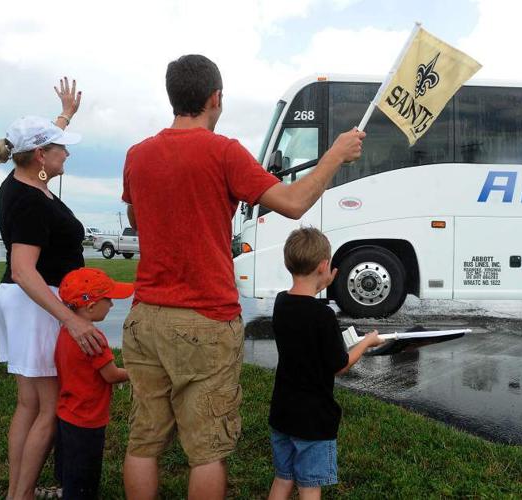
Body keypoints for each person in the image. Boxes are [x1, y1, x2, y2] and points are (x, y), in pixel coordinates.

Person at [120, 54, 365, 499]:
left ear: (173, 96)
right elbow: (292, 203)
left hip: (145, 318)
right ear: (215, 98)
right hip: (206, 320)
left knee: (143, 442)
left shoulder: (137, 155)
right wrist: (334, 156)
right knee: (207, 449)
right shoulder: (224, 152)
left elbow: (137, 216)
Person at [0, 78, 105, 500]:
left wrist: (64, 116)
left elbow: (35, 146)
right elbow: (24, 270)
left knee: (30, 404)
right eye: (61, 147)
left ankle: (15, 492)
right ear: (40, 155)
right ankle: (19, 496)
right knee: (48, 408)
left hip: (27, 302)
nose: (68, 153)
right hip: (36, 302)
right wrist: (71, 321)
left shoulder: (29, 181)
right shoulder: (29, 198)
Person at [267, 228, 384, 500]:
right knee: (309, 485)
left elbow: (303, 299)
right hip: (314, 418)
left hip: (283, 412)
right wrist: (366, 343)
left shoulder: (281, 303)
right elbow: (339, 365)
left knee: (283, 478)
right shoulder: (323, 315)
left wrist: (322, 281)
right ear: (323, 266)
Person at [54, 267, 133, 499]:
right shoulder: (94, 339)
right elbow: (111, 375)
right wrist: (138, 373)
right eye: (108, 299)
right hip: (88, 421)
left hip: (66, 415)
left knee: (69, 470)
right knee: (84, 482)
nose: (111, 304)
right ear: (90, 306)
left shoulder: (65, 331)